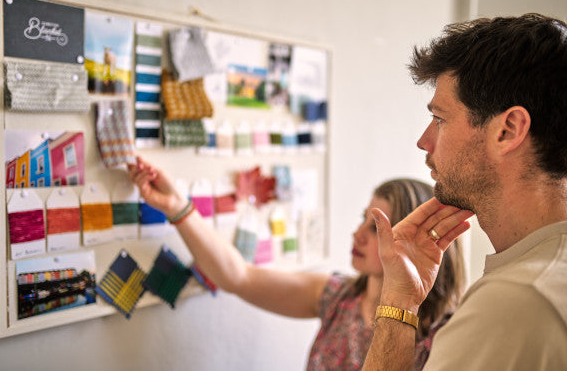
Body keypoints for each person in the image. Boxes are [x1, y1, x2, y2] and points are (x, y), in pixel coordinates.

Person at [362, 13, 567, 371]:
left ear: (508, 130)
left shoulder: (516, 302)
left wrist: (395, 303)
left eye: (440, 119)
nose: (424, 141)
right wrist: (402, 298)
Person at [129, 157, 467, 371]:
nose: (358, 234)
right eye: (362, 220)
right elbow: (238, 276)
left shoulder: (444, 335)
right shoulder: (339, 296)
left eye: (377, 227)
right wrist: (176, 206)